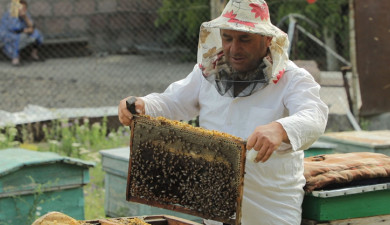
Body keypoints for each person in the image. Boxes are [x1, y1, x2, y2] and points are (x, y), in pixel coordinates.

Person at [118, 0, 328, 224]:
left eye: (244, 39)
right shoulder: (206, 73)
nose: (234, 48)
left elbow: (315, 116)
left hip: (271, 208)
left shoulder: (292, 78)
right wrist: (142, 105)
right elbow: (172, 102)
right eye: (228, 38)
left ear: (267, 39)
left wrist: (281, 129)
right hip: (216, 205)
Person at [0, 0, 44, 66]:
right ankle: (15, 59)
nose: (23, 9)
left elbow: (32, 26)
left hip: (22, 32)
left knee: (38, 33)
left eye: (24, 8)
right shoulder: (11, 14)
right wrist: (26, 30)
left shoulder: (25, 14)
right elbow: (14, 28)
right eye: (21, 8)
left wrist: (25, 17)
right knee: (19, 37)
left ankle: (34, 55)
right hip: (7, 34)